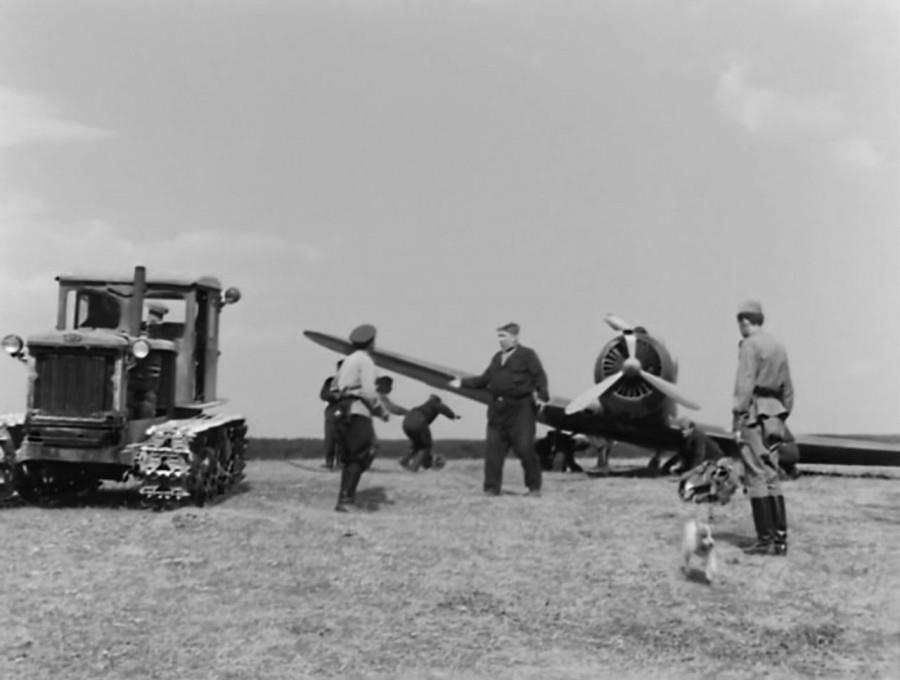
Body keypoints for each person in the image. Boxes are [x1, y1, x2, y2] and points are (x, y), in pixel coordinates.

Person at [449, 322, 547, 496]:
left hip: (521, 409)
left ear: (514, 337)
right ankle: (491, 488)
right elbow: (483, 379)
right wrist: (461, 382)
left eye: (503, 336)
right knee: (493, 450)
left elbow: (540, 377)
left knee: (525, 448)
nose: (500, 340)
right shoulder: (496, 358)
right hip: (497, 409)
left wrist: (542, 396)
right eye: (499, 336)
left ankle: (534, 487)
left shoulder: (527, 355)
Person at [732, 300, 794, 556]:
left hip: (754, 414)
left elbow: (745, 384)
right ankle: (780, 540)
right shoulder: (778, 346)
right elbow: (788, 388)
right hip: (775, 415)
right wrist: (781, 415)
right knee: (772, 476)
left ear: (745, 321)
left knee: (756, 475)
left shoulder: (749, 344)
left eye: (739, 322)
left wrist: (738, 416)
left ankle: (764, 540)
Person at [332, 324, 389, 512]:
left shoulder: (347, 361)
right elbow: (369, 391)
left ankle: (344, 497)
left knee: (349, 456)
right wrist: (381, 411)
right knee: (363, 453)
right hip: (357, 410)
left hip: (341, 409)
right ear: (371, 342)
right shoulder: (365, 361)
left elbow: (334, 388)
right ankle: (346, 500)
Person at [399, 394, 461, 471]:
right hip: (419, 423)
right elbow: (442, 408)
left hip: (406, 424)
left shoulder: (418, 407)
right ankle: (413, 468)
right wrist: (453, 416)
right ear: (437, 400)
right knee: (426, 446)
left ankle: (404, 461)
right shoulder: (434, 403)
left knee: (416, 447)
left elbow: (409, 415)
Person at [661, 419, 726, 476]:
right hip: (703, 459)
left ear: (691, 429)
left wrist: (691, 472)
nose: (682, 431)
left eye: (684, 429)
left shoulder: (698, 437)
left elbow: (699, 455)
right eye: (681, 429)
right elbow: (681, 453)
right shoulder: (687, 436)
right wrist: (666, 467)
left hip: (715, 460)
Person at [319, 360, 344, 470]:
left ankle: (341, 462)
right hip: (332, 410)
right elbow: (323, 394)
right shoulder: (330, 381)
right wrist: (334, 396)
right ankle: (329, 462)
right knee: (330, 437)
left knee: (343, 438)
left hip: (347, 410)